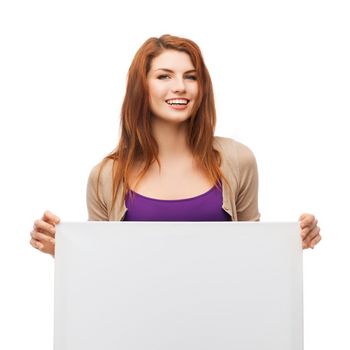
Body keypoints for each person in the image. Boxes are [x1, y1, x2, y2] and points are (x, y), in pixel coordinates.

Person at [29, 34, 321, 257]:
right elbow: (102, 269)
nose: (180, 86)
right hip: (138, 330)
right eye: (164, 76)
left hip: (222, 329)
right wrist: (64, 251)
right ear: (141, 87)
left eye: (191, 77)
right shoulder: (106, 175)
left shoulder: (237, 160)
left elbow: (252, 258)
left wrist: (290, 245)